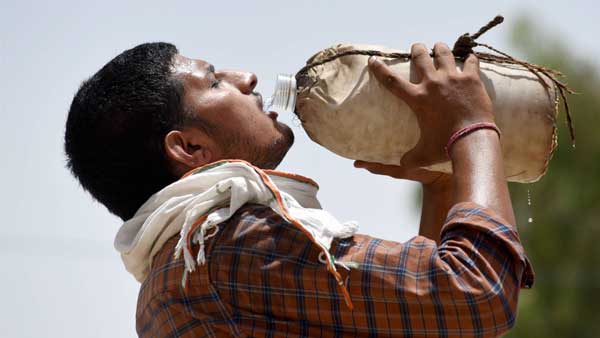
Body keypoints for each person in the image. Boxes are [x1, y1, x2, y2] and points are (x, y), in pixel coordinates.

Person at [64, 41, 534, 337]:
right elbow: (478, 292)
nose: (245, 78)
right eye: (212, 81)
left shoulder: (176, 276)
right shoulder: (228, 245)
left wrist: (441, 187)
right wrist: (472, 125)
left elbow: (435, 324)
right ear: (189, 147)